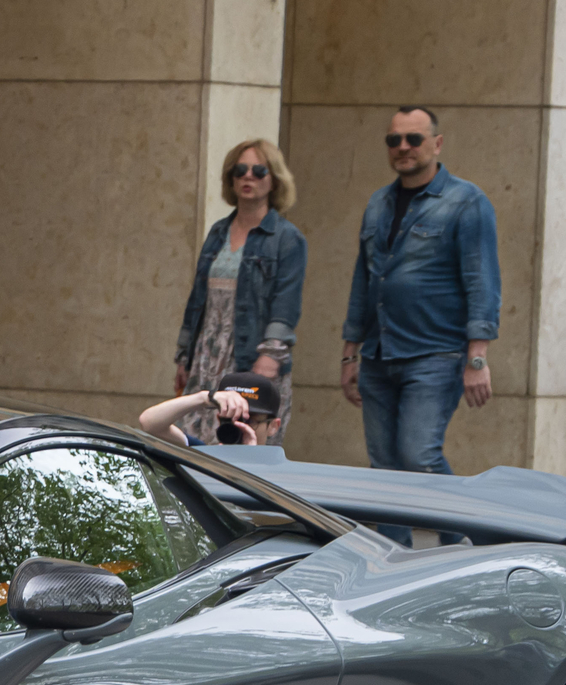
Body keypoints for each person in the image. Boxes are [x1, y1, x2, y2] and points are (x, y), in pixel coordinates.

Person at [340, 107, 501, 475]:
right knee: (384, 466)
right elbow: (363, 283)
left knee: (418, 457)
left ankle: (459, 533)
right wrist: (350, 355)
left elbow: (483, 282)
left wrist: (477, 359)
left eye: (414, 139)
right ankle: (391, 538)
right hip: (379, 356)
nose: (403, 147)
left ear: (437, 144)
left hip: (435, 355)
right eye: (393, 140)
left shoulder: (466, 202)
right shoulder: (378, 204)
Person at [174, 138, 308, 445]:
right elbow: (198, 300)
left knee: (245, 444)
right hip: (207, 356)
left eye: (259, 171)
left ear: (274, 180)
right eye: (240, 170)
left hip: (252, 357)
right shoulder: (218, 232)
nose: (248, 177)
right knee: (194, 445)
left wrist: (271, 356)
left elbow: (286, 302)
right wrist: (185, 357)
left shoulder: (287, 238)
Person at [139, 387, 257, 444]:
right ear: (218, 417)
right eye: (231, 419)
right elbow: (149, 423)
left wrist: (250, 459)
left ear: (273, 426)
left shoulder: (274, 471)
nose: (239, 428)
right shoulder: (202, 456)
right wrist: (204, 398)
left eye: (247, 421)